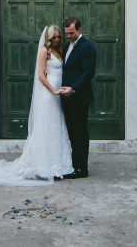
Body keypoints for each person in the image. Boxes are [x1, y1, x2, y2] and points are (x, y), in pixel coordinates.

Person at [0, 25, 73, 185]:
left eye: (58, 37)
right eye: (54, 37)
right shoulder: (44, 51)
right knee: (47, 126)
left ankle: (57, 164)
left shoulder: (58, 51)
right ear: (48, 38)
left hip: (57, 95)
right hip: (49, 95)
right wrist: (53, 91)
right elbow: (41, 76)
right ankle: (42, 165)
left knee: (55, 126)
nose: (57, 39)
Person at [59, 17, 96, 179]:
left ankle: (82, 169)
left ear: (79, 30)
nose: (68, 36)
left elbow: (88, 73)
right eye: (66, 33)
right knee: (72, 133)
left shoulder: (87, 47)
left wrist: (73, 89)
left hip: (79, 97)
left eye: (72, 33)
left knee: (80, 133)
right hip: (67, 98)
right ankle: (74, 165)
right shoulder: (67, 45)